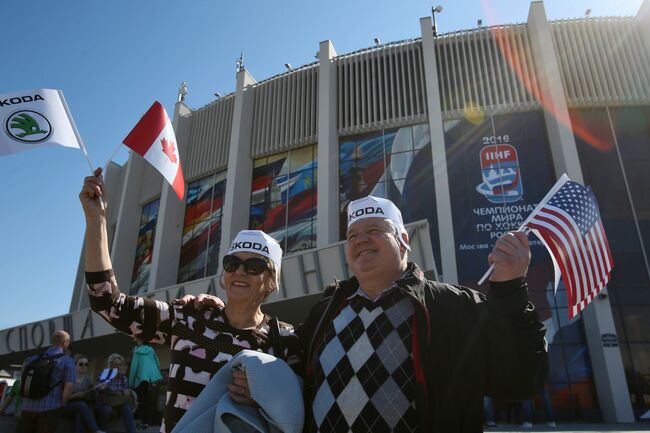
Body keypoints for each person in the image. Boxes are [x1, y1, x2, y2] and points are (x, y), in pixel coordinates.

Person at [191, 195, 549, 433]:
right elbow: (290, 376)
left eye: (374, 230)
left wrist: (510, 289)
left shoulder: (452, 307)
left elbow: (521, 380)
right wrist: (229, 312)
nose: (360, 240)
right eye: (353, 235)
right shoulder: (326, 312)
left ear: (404, 241)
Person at [79, 168, 302, 433]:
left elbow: (296, 411)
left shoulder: (286, 339)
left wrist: (261, 398)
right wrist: (97, 220)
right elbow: (107, 302)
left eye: (254, 266)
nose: (240, 272)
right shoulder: (188, 317)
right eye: (232, 263)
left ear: (272, 282)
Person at [17, 330, 75, 433]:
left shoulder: (31, 359)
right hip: (50, 409)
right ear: (65, 343)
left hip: (27, 408)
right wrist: (62, 404)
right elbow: (69, 387)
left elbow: (22, 381)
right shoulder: (67, 361)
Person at [61, 354, 105, 433]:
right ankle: (96, 430)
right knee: (81, 405)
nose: (83, 366)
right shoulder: (68, 378)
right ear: (75, 365)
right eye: (81, 364)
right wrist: (75, 396)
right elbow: (62, 398)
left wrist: (99, 388)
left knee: (81, 413)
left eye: (86, 364)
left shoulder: (87, 380)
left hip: (81, 406)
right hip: (66, 405)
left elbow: (92, 393)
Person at [95, 353, 137, 433]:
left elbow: (124, 392)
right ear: (110, 365)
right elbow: (98, 389)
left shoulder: (123, 378)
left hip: (118, 403)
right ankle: (100, 429)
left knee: (126, 407)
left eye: (120, 364)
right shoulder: (105, 374)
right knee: (106, 411)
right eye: (115, 364)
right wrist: (101, 387)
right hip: (106, 402)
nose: (118, 367)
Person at [129, 337, 163, 429]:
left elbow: (133, 367)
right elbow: (156, 364)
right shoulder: (150, 350)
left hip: (139, 379)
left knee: (139, 400)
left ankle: (140, 422)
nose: (133, 337)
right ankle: (145, 422)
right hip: (147, 379)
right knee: (147, 400)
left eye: (136, 336)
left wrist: (130, 382)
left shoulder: (136, 350)